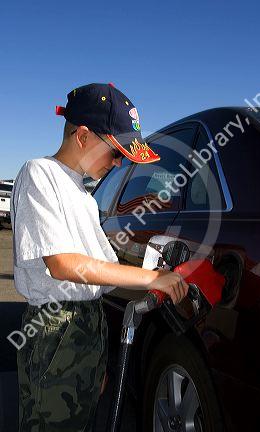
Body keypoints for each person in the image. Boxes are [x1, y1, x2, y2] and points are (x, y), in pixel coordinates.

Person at [10, 83, 189, 432]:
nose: (120, 163)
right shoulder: (40, 174)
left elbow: (102, 274)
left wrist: (95, 359)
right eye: (115, 152)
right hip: (56, 327)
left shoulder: (85, 197)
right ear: (83, 136)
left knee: (83, 419)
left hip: (86, 328)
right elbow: (64, 264)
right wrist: (152, 279)